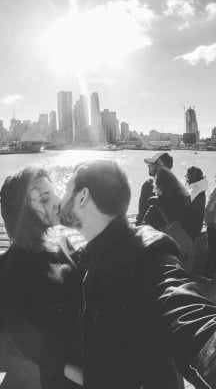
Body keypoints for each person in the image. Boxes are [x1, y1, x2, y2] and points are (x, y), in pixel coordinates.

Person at [59, 159, 216, 389]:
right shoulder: (94, 256)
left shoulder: (150, 259)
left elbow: (189, 316)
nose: (60, 198)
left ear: (82, 197)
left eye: (65, 190)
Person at [0, 166, 82, 389]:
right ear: (23, 213)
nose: (57, 201)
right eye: (44, 198)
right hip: (71, 379)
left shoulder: (62, 243)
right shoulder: (13, 271)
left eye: (52, 193)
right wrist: (91, 377)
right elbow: (32, 345)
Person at [136, 152, 173, 226]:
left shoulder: (149, 185)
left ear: (159, 166)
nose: (148, 165)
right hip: (170, 232)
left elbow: (142, 213)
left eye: (151, 163)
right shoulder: (175, 185)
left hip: (152, 232)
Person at [185, 166, 207, 242]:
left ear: (192, 177)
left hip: (191, 226)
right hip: (196, 225)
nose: (186, 177)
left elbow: (183, 203)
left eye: (187, 175)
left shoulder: (195, 189)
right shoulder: (199, 187)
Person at [205, 176, 216, 276]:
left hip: (213, 225)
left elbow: (209, 207)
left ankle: (209, 272)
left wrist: (206, 220)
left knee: (212, 249)